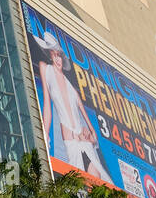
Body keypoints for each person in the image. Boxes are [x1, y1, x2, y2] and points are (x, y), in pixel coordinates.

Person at [34, 32, 116, 185]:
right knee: (78, 186)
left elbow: (92, 130)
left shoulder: (73, 90)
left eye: (59, 55)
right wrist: (45, 133)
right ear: (50, 55)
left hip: (84, 143)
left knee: (98, 181)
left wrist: (91, 137)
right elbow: (47, 104)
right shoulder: (45, 69)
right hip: (70, 144)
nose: (58, 59)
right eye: (54, 55)